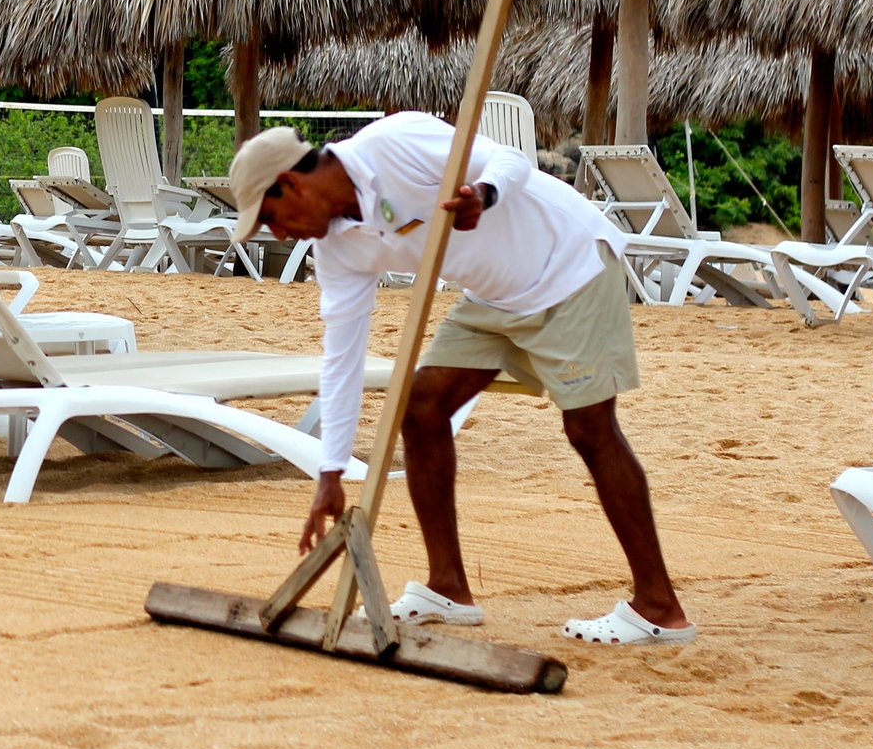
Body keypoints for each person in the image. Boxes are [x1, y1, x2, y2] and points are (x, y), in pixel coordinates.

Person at [227, 114, 695, 646]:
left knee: (589, 428)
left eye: (271, 218)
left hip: (569, 265)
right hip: (493, 296)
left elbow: (511, 159)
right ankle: (447, 589)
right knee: (421, 408)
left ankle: (659, 607)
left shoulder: (391, 143)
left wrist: (484, 195)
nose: (280, 234)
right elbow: (342, 356)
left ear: (290, 183)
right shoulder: (337, 248)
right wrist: (331, 471)